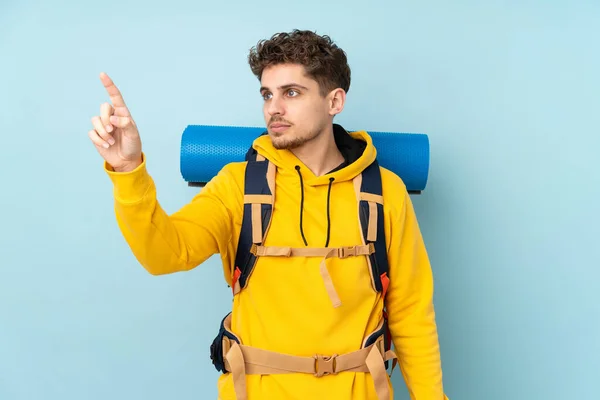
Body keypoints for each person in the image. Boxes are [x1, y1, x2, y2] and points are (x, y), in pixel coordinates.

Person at [88, 29, 449, 400]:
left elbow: (410, 314)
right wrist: (128, 170)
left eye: (291, 92)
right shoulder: (237, 185)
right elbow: (164, 254)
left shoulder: (385, 192)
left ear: (334, 101)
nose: (273, 108)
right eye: (267, 94)